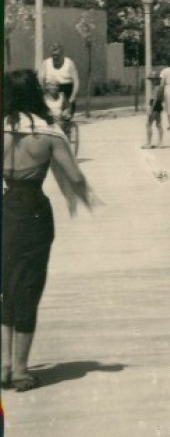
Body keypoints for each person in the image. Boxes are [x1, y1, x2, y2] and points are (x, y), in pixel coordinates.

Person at [3, 70, 97, 392]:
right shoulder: (49, 133)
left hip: (5, 207)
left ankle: (3, 365)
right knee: (28, 287)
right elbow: (75, 177)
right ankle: (19, 371)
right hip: (33, 212)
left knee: (5, 288)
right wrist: (86, 197)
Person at [38, 45, 79, 123]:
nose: (55, 57)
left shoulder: (69, 63)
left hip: (66, 91)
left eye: (57, 55)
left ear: (62, 54)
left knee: (65, 118)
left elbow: (76, 82)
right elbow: (40, 79)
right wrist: (43, 93)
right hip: (50, 91)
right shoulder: (46, 63)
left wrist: (72, 98)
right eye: (53, 55)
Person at [143, 76, 166, 149]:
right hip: (159, 106)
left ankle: (149, 143)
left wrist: (151, 109)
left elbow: (155, 99)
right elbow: (162, 99)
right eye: (151, 80)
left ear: (156, 80)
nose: (151, 82)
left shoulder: (156, 88)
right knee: (158, 124)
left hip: (154, 106)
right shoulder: (161, 88)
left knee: (148, 124)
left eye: (153, 80)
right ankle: (160, 143)